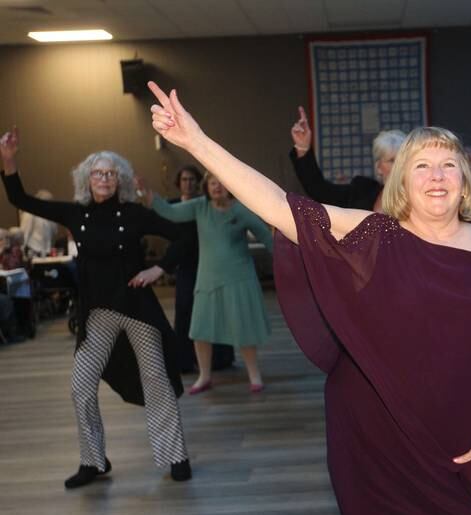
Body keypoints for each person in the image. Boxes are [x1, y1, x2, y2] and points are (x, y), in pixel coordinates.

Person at [149, 81, 471, 515]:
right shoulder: (378, 237)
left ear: (465, 178)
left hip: (469, 441)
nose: (437, 176)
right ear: (402, 179)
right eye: (422, 165)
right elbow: (278, 205)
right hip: (382, 440)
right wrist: (196, 141)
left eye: (448, 165)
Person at [0, 126, 191, 487]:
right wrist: (8, 161)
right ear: (87, 179)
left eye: (110, 173)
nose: (103, 178)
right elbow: (23, 200)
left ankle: (176, 455)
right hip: (97, 313)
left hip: (136, 308)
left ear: (119, 180)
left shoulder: (135, 214)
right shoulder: (76, 214)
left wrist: (158, 268)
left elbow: (185, 236)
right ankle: (94, 461)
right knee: (80, 385)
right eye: (97, 173)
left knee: (155, 379)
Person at [140, 170, 273, 394]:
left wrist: (292, 262)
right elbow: (170, 212)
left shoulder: (241, 210)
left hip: (239, 279)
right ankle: (204, 376)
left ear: (229, 186)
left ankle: (254, 375)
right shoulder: (199, 207)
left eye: (221, 183)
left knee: (243, 329)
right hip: (207, 278)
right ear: (206, 186)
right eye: (212, 183)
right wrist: (147, 195)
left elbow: (267, 237)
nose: (216, 187)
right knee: (200, 330)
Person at [168, 165, 235, 373]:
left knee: (215, 309)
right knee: (184, 309)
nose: (188, 183)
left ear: (198, 183)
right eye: (184, 179)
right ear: (178, 183)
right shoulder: (172, 205)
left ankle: (220, 359)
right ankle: (184, 361)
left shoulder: (205, 205)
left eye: (191, 179)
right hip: (185, 264)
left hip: (208, 262)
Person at [289, 106, 405, 211]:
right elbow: (320, 191)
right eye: (392, 160)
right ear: (379, 166)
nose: (398, 165)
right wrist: (302, 148)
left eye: (403, 160)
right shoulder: (362, 190)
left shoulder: (416, 197)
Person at [19, 189, 58, 257]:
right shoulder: (30, 213)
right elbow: (24, 232)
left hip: (47, 251)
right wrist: (22, 251)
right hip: (34, 250)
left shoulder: (51, 218)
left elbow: (53, 236)